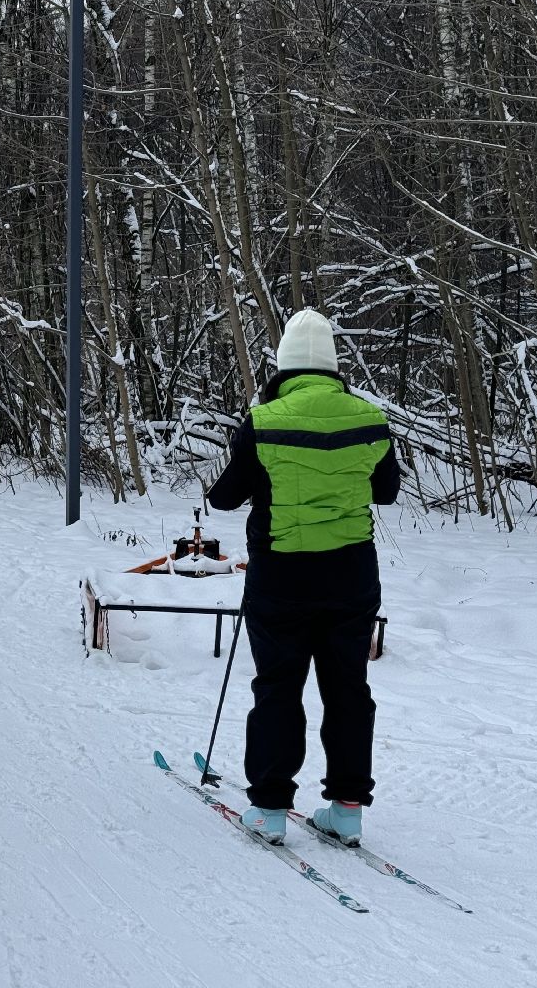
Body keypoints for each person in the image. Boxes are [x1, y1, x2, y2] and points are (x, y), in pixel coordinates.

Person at [205, 309, 400, 847]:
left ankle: (269, 809)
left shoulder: (265, 421)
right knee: (348, 690)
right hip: (351, 574)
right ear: (333, 366)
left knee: (278, 686)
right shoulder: (368, 419)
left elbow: (222, 497)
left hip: (282, 576)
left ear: (285, 365)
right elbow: (385, 492)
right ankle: (347, 807)